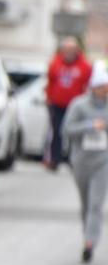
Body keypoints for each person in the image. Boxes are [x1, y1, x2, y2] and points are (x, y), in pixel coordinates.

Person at [62, 63, 108, 263]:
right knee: (86, 203)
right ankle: (87, 235)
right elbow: (68, 129)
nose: (104, 91)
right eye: (101, 87)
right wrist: (90, 126)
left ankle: (90, 242)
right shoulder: (79, 105)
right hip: (81, 161)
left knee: (96, 204)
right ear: (93, 87)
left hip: (103, 161)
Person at [45, 36, 92, 171]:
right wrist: (49, 98)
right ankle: (54, 159)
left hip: (76, 106)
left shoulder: (84, 66)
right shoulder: (55, 63)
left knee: (75, 132)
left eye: (71, 49)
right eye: (66, 49)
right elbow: (50, 83)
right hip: (58, 104)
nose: (69, 52)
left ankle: (74, 160)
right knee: (56, 131)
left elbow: (88, 85)